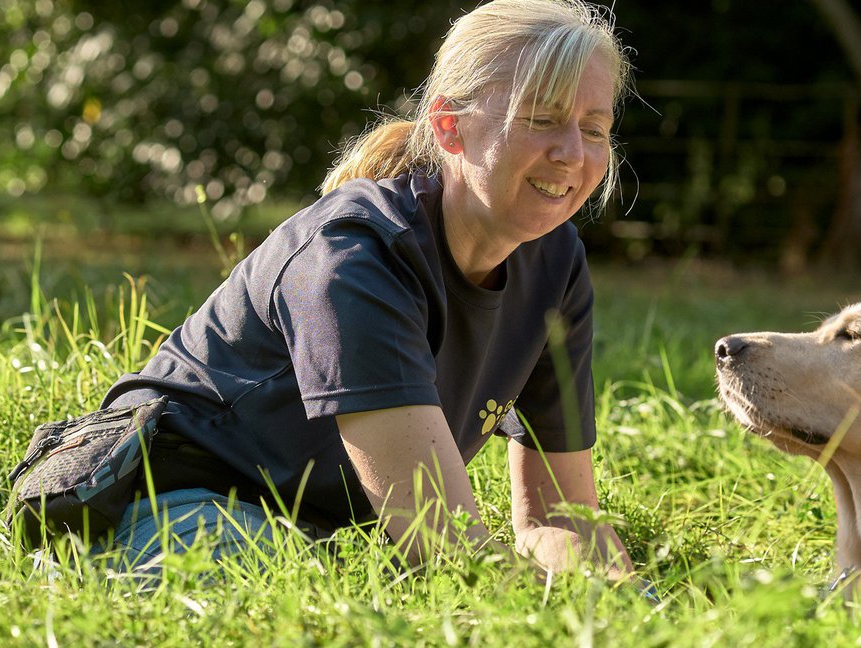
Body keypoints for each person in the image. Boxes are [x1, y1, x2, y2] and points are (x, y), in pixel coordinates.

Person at [101, 0, 638, 585]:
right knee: (311, 607)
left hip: (323, 537)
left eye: (594, 129)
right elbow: (445, 544)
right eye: (540, 118)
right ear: (449, 125)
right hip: (175, 507)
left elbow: (560, 519)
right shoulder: (355, 257)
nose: (572, 153)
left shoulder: (555, 263)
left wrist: (631, 601)